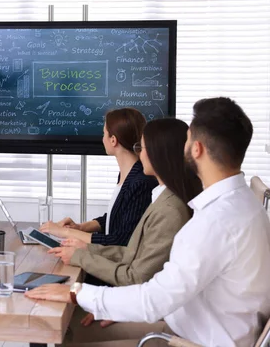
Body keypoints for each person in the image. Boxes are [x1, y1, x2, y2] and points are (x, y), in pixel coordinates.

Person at [26, 97, 270, 347]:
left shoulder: (213, 222)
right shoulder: (245, 205)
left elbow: (154, 298)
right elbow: (170, 291)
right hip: (189, 323)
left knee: (57, 333)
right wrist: (117, 307)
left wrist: (77, 293)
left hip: (190, 339)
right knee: (63, 328)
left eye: (186, 139)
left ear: (196, 149)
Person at [48, 118, 202, 341]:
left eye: (142, 147)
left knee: (66, 329)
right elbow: (132, 253)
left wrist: (83, 258)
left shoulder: (170, 210)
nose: (139, 153)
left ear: (159, 154)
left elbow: (135, 277)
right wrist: (85, 252)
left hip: (159, 318)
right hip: (148, 305)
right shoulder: (163, 197)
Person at [40, 108, 158, 246]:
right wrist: (82, 227)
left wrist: (67, 233)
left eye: (104, 134)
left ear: (113, 140)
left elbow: (120, 240)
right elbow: (117, 219)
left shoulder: (141, 183)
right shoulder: (127, 174)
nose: (102, 139)